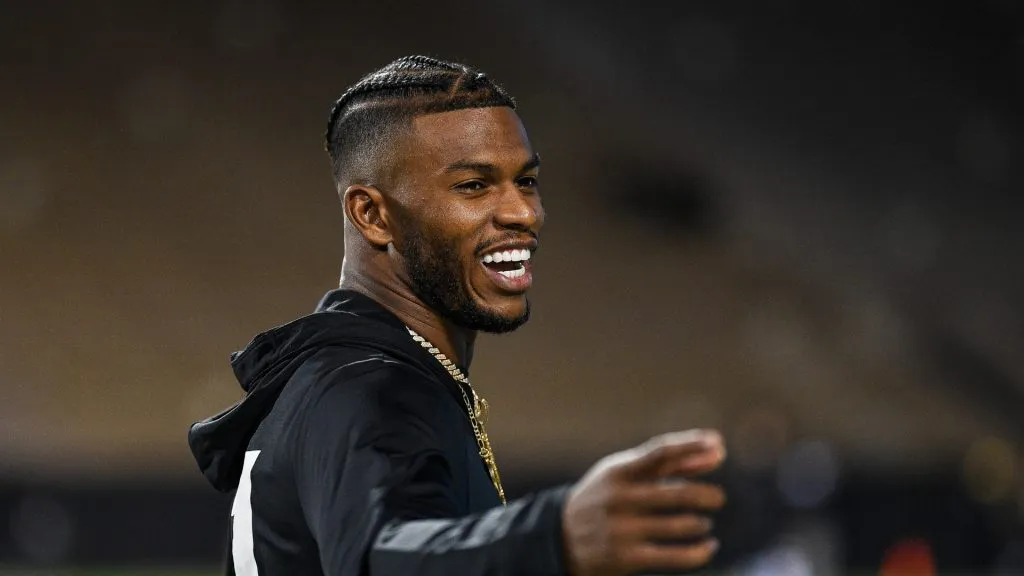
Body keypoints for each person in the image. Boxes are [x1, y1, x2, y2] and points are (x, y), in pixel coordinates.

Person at [188, 55, 727, 576]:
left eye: (526, 180)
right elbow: (380, 558)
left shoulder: (357, 373)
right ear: (372, 214)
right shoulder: (366, 388)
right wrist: (555, 537)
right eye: (474, 185)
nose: (523, 212)